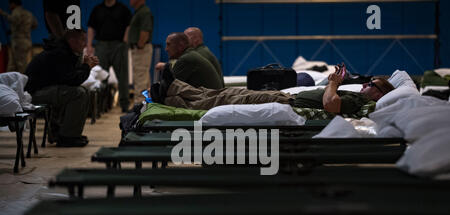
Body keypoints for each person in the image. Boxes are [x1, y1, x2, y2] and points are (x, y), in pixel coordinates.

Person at [154, 63, 394, 113]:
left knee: (224, 99)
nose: (365, 84)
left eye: (371, 84)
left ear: (379, 94)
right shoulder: (360, 97)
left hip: (285, 104)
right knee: (226, 93)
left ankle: (170, 99)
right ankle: (174, 87)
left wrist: (333, 83)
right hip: (283, 97)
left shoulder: (360, 103)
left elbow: (331, 105)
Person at [25, 29, 99, 147]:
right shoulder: (60, 53)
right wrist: (86, 67)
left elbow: (69, 77)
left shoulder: (65, 51)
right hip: (33, 94)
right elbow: (73, 80)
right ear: (72, 40)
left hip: (44, 89)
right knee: (78, 93)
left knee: (83, 91)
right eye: (82, 40)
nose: (85, 44)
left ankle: (65, 133)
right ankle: (67, 137)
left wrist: (84, 66)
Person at [87, 0, 132, 112]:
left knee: (123, 76)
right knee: (101, 76)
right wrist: (89, 44)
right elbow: (91, 28)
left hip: (118, 45)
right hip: (101, 44)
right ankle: (101, 106)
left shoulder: (122, 9)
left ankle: (124, 105)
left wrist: (125, 41)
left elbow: (129, 25)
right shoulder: (97, 9)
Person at [158, 32, 223, 91]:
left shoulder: (186, 59)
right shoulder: (191, 54)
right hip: (212, 97)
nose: (166, 49)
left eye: (168, 44)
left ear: (180, 46)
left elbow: (168, 88)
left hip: (210, 100)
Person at [127, 0, 154, 105]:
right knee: (144, 78)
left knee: (140, 78)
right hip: (140, 48)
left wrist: (140, 45)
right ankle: (145, 105)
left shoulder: (144, 12)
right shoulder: (139, 11)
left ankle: (139, 105)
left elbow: (145, 31)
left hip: (141, 49)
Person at [0, 0, 38, 73]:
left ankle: (22, 82)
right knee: (13, 64)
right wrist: (25, 30)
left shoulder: (16, 12)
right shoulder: (28, 13)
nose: (9, 6)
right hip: (27, 41)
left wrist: (2, 13)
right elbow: (35, 24)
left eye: (10, 4)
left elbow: (13, 20)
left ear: (13, 4)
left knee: (20, 65)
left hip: (18, 42)